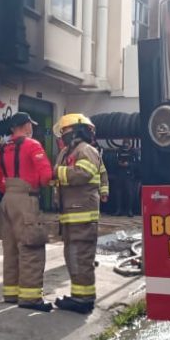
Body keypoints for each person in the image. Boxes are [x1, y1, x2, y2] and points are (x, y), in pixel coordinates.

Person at [0, 112, 54, 311]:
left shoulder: (3, 149)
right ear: (26, 126)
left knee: (10, 248)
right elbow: (46, 176)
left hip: (7, 199)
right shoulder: (33, 145)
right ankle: (30, 298)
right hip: (27, 200)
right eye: (30, 125)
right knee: (31, 247)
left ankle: (10, 294)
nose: (31, 128)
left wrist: (10, 190)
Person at [52, 114, 108, 314]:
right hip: (71, 214)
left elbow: (83, 173)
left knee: (81, 257)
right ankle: (79, 296)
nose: (63, 136)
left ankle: (83, 300)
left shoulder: (86, 150)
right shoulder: (67, 151)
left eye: (65, 131)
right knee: (73, 256)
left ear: (76, 130)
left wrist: (57, 173)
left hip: (82, 214)